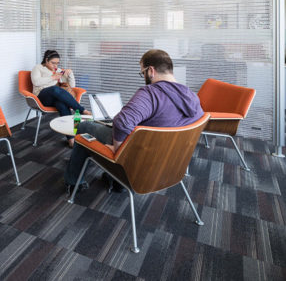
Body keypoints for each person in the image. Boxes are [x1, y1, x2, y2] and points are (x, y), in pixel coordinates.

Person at [64, 49, 204, 192]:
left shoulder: (151, 93)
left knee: (84, 126)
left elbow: (123, 123)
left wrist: (119, 151)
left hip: (139, 156)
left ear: (151, 71)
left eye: (142, 73)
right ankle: (115, 179)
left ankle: (74, 181)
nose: (143, 76)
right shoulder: (191, 96)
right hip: (169, 163)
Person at [31, 50, 91, 148]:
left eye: (57, 63)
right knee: (55, 88)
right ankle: (81, 110)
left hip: (54, 98)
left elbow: (71, 86)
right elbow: (36, 82)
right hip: (41, 97)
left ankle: (71, 139)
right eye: (53, 63)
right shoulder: (38, 68)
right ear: (46, 60)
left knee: (62, 105)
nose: (55, 66)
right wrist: (53, 78)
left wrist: (70, 74)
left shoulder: (58, 71)